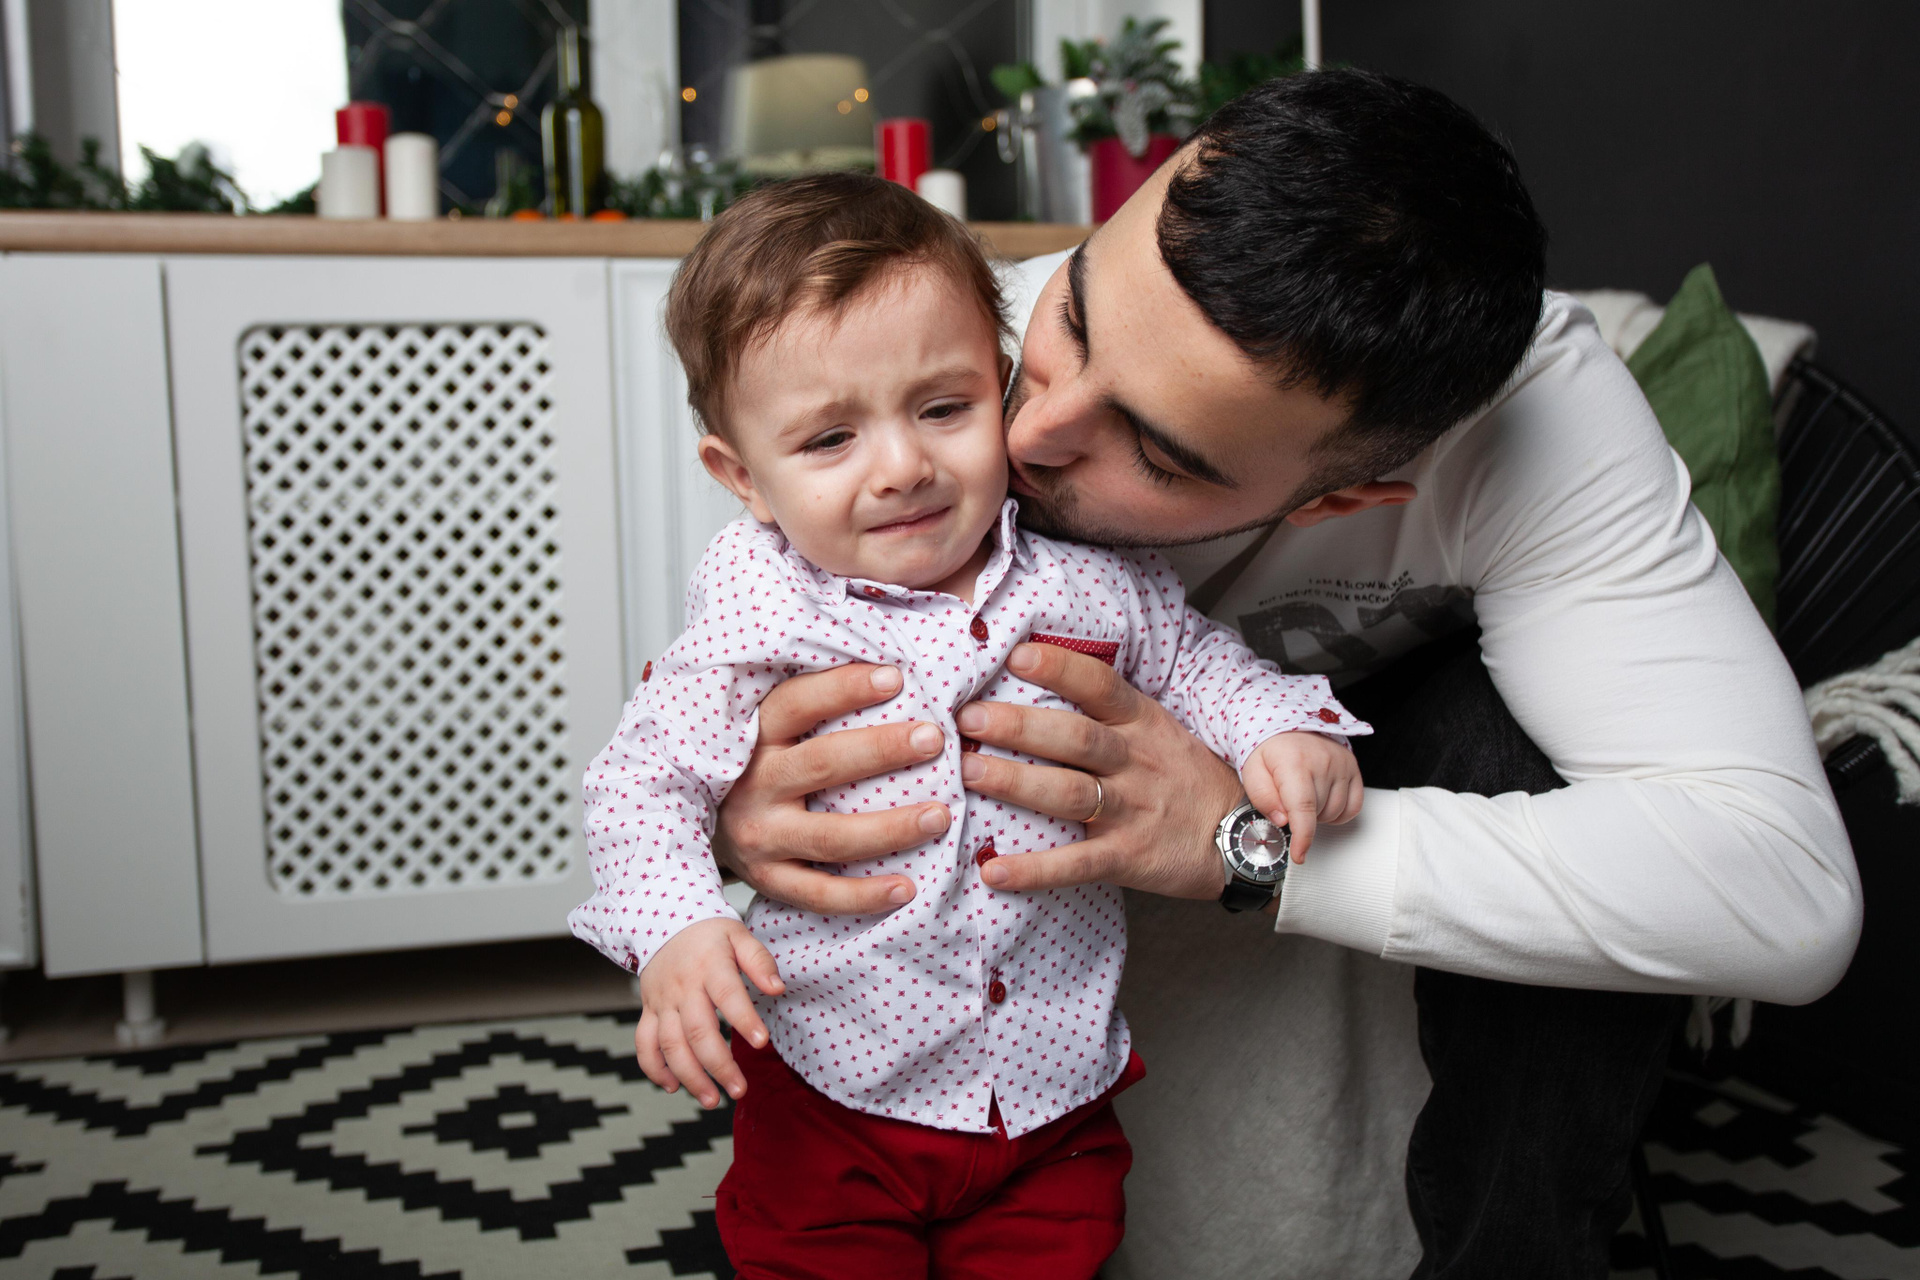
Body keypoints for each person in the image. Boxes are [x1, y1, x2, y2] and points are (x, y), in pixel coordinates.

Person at [707, 70, 1863, 1278]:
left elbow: (1786, 888)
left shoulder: (1536, 418)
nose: (1030, 432)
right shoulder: (925, 340)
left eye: (1156, 450)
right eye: (1076, 318)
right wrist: (739, 797)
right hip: (931, 991)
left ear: (1350, 495)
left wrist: (1246, 845)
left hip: (1325, 765)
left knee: (1505, 743)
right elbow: (732, 664)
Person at [568, 172, 1370, 1278]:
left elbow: (1199, 664)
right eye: (830, 439)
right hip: (838, 1082)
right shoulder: (764, 610)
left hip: (1051, 1085)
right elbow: (643, 781)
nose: (903, 467)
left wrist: (1282, 731)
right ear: (741, 476)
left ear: (1002, 391)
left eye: (943, 409)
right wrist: (676, 930)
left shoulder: (1088, 581)